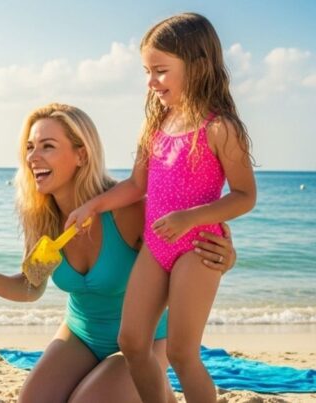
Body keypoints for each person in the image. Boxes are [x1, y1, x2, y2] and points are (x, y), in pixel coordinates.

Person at [0, 103, 237, 402]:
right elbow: (31, 286)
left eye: (48, 146)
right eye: (31, 147)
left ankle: (159, 392)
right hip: (80, 335)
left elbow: (185, 249)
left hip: (146, 343)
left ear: (81, 154)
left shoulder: (126, 210)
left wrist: (225, 257)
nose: (33, 157)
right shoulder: (42, 217)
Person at [66, 13, 256, 402]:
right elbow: (137, 186)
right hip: (157, 245)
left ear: (199, 67)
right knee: (133, 342)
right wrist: (93, 205)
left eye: (160, 71)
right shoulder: (155, 124)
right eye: (147, 72)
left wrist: (191, 218)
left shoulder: (220, 128)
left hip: (199, 246)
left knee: (182, 353)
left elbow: (244, 195)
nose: (151, 82)